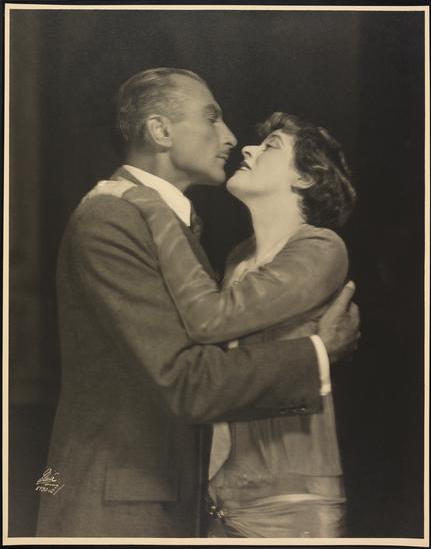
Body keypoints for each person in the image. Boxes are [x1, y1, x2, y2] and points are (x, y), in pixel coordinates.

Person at [36, 68, 359, 538]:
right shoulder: (114, 217)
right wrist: (318, 354)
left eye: (268, 145)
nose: (233, 139)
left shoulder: (172, 225)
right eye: (212, 118)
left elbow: (206, 337)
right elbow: (186, 377)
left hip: (242, 497)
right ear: (161, 131)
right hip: (123, 506)